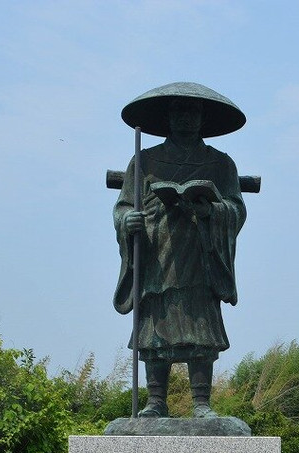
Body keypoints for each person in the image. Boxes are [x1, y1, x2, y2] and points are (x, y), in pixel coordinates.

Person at [113, 83, 247, 418]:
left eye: (193, 112)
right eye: (179, 111)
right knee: (155, 325)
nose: (186, 118)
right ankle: (155, 399)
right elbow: (124, 206)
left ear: (203, 118)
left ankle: (202, 401)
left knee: (200, 327)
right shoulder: (144, 161)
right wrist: (128, 220)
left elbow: (236, 208)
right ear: (168, 116)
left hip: (199, 254)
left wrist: (212, 211)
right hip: (157, 254)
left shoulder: (219, 164)